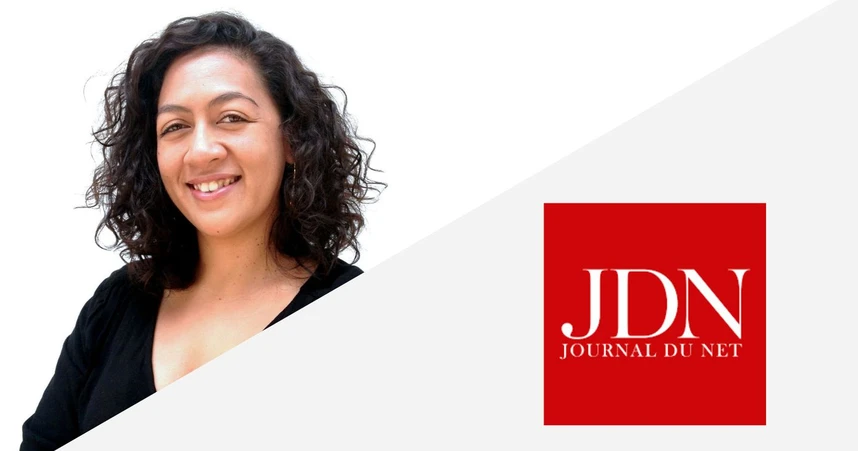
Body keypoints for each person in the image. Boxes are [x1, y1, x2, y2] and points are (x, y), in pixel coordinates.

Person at [20, 11, 382, 450]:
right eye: (175, 127)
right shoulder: (117, 303)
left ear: (291, 139)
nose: (201, 151)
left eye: (231, 117)